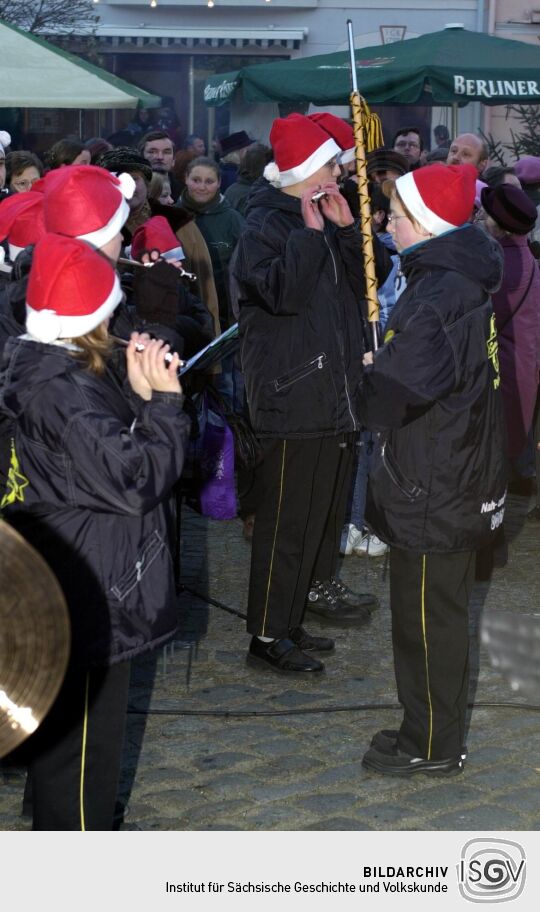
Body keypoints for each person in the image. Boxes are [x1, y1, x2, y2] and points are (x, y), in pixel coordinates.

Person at [0, 233, 189, 829]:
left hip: (71, 573)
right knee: (82, 756)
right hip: (86, 591)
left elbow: (97, 463)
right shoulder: (64, 392)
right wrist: (163, 407)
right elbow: (134, 479)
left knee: (75, 753)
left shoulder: (50, 367)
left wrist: (134, 397)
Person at [358, 163, 507, 776]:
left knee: (424, 620)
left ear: (424, 223)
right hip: (452, 467)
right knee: (437, 612)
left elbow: (400, 388)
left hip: (434, 478)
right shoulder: (453, 278)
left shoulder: (441, 292)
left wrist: (374, 369)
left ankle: (430, 744)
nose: (386, 222)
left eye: (395, 214)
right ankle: (430, 728)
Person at [232, 113, 382, 675]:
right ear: (303, 171)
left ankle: (291, 620)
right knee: (286, 522)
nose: (340, 174)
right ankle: (267, 634)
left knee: (318, 516)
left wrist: (345, 232)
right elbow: (280, 294)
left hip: (334, 393)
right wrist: (311, 236)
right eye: (331, 165)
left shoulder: (323, 215)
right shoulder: (263, 226)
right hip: (292, 395)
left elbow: (371, 280)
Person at [139, 130, 182, 201]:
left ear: (174, 160)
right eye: (152, 152)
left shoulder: (183, 192)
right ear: (141, 157)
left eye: (166, 152)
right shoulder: (129, 191)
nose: (160, 157)